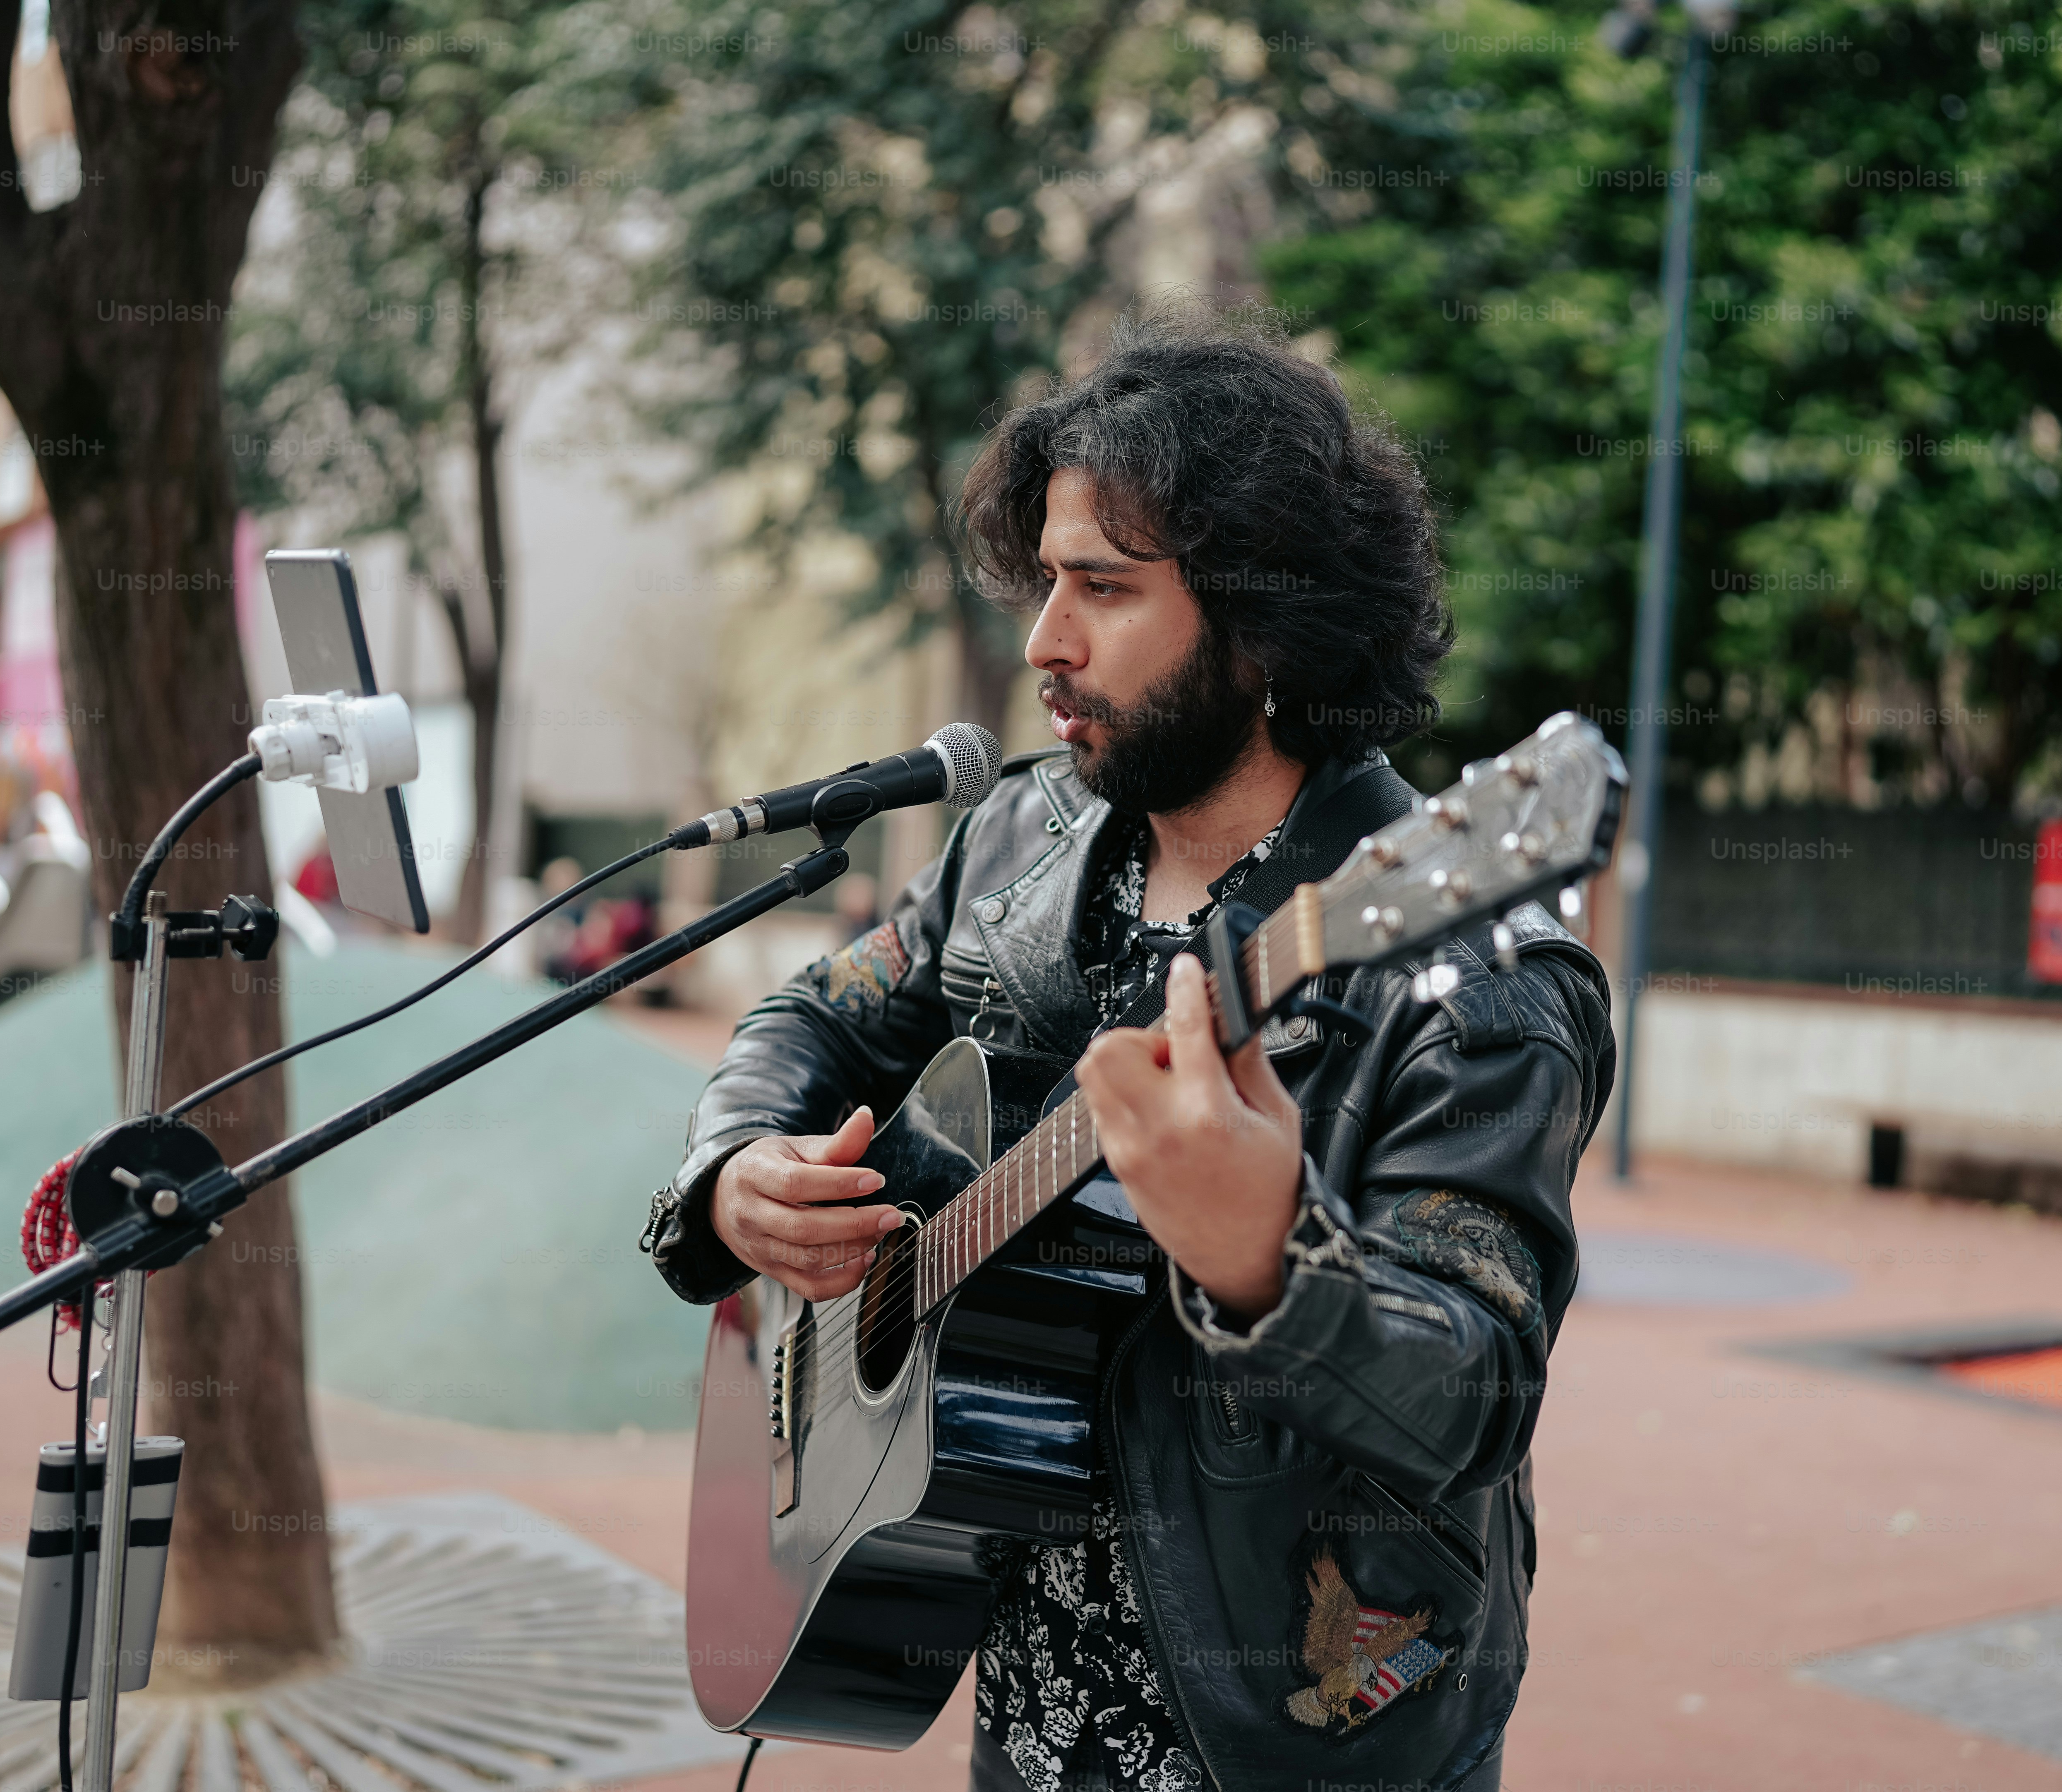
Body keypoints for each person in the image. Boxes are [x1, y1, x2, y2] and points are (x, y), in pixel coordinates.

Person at [645, 307, 1614, 1792]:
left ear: (1267, 619)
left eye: (1103, 586)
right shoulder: (1020, 839)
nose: (1043, 639)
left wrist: (1265, 1267)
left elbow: (1474, 1395)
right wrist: (734, 1174)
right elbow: (816, 1017)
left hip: (1298, 1731)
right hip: (1028, 1705)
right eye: (1045, 580)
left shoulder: (1470, 980)